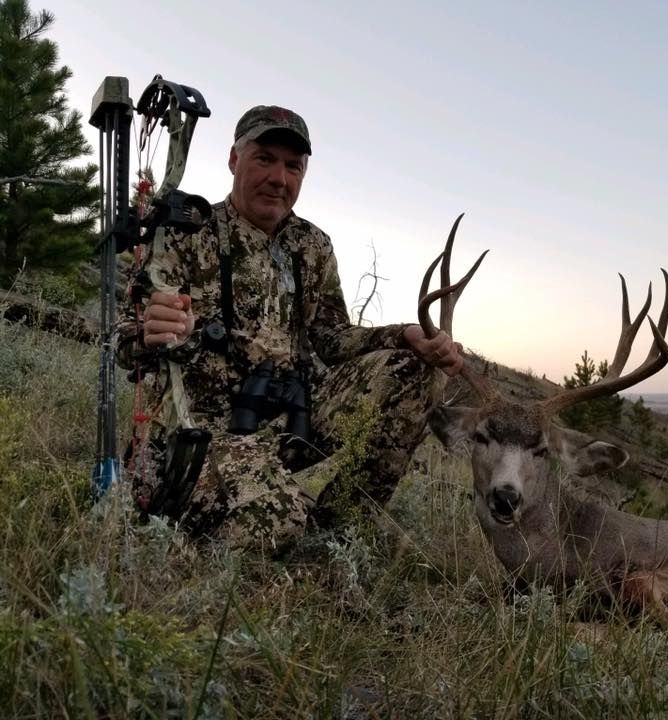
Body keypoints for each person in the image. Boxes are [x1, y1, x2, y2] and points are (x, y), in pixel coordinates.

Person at [118, 105, 462, 552]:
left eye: (293, 166)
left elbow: (333, 337)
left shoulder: (313, 246)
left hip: (292, 420)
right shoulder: (185, 232)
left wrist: (404, 337)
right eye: (265, 159)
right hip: (207, 434)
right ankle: (207, 528)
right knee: (276, 520)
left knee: (412, 370)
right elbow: (122, 342)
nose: (279, 178)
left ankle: (342, 532)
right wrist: (147, 332)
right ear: (233, 159)